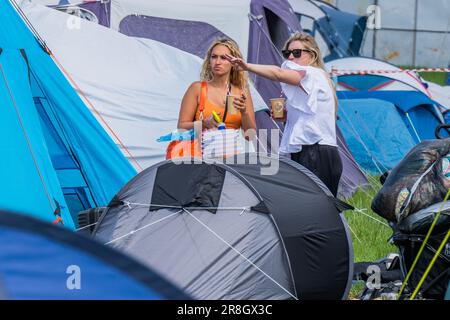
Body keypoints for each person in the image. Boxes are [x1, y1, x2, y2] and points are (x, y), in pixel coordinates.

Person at [225, 32, 342, 196]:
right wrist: (286, 118)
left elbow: (278, 73)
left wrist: (247, 66)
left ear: (312, 56)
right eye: (287, 54)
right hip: (308, 150)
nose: (291, 58)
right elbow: (308, 118)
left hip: (317, 151)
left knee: (317, 207)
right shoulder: (309, 82)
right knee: (312, 207)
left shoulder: (313, 74)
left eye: (297, 53)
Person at [177, 38, 256, 133]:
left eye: (223, 58)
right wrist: (203, 124)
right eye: (214, 57)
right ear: (209, 61)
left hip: (231, 147)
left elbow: (250, 135)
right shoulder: (197, 88)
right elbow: (181, 127)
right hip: (202, 146)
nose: (217, 62)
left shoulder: (242, 91)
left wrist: (244, 112)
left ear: (233, 63)